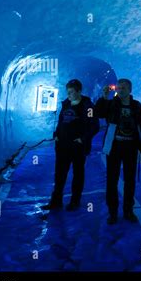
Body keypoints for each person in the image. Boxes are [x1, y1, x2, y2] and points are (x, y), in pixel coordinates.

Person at [95, 78, 141, 225]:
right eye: (118, 88)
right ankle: (112, 212)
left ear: (130, 90)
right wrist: (104, 97)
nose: (120, 90)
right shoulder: (111, 104)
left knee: (130, 180)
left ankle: (128, 211)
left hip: (130, 147)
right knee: (111, 180)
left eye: (124, 88)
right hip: (114, 147)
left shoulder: (136, 106)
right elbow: (98, 113)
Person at [42, 79, 99, 211]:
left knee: (78, 174)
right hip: (62, 146)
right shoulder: (66, 104)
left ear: (79, 91)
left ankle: (75, 201)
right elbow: (61, 121)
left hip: (77, 147)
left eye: (71, 92)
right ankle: (56, 201)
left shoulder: (87, 106)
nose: (69, 94)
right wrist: (56, 134)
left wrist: (82, 139)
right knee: (59, 174)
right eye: (68, 92)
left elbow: (94, 125)